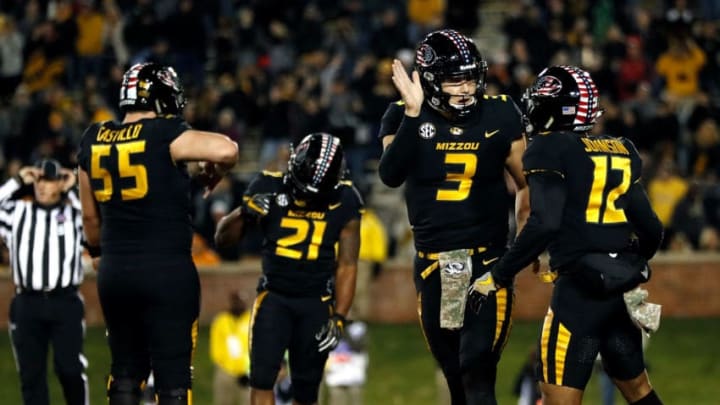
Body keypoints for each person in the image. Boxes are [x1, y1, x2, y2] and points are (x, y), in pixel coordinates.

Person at [468, 65, 664, 405]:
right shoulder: (620, 149)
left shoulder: (547, 147)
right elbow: (652, 229)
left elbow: (545, 222)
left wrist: (499, 274)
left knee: (557, 399)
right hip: (619, 294)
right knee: (639, 391)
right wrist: (623, 259)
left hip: (577, 299)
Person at [377, 28, 530, 404]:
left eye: (470, 78)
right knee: (457, 381)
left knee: (478, 371)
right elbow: (390, 175)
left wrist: (527, 245)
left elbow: (527, 184)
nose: (465, 88)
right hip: (434, 266)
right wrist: (413, 115)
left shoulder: (500, 112)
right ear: (430, 80)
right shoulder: (401, 114)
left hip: (487, 262)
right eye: (453, 79)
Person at [77, 62, 239, 405]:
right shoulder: (165, 131)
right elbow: (227, 149)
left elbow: (90, 219)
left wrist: (98, 254)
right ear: (163, 95)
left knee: (124, 372)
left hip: (115, 271)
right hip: (166, 270)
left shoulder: (92, 139)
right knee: (173, 378)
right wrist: (216, 173)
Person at [215, 132, 363, 405]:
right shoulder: (268, 185)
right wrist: (244, 214)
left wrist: (340, 315)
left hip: (317, 301)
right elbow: (222, 238)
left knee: (307, 392)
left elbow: (348, 264)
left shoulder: (346, 200)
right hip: (274, 298)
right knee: (261, 379)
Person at [3, 159, 87, 405]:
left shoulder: (74, 215)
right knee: (31, 377)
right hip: (27, 301)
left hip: (65, 302)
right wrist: (17, 181)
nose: (41, 185)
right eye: (39, 179)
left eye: (49, 180)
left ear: (60, 184)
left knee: (70, 370)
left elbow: (99, 219)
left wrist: (73, 189)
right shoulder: (18, 212)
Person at [209, 291, 252, 405]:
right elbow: (216, 346)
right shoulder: (221, 321)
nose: (238, 305)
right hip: (225, 370)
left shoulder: (252, 320)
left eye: (241, 302)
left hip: (247, 371)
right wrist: (223, 365)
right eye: (236, 302)